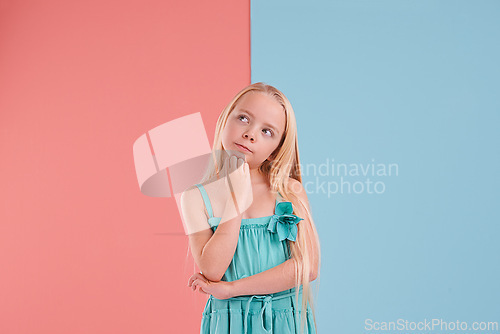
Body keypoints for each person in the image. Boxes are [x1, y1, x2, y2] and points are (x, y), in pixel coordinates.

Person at [181, 82, 321, 334]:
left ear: (274, 151)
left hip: (284, 320)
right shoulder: (196, 197)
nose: (250, 134)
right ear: (225, 119)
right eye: (244, 118)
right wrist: (236, 198)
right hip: (227, 322)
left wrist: (232, 289)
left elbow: (306, 267)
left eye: (267, 131)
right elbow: (212, 269)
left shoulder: (289, 191)